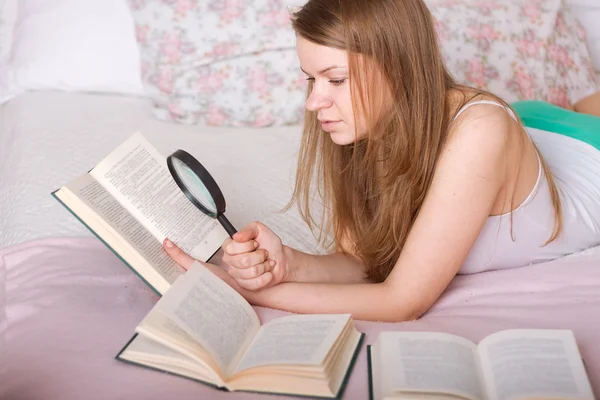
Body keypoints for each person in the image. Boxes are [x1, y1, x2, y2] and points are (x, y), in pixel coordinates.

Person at [163, 0, 600, 322]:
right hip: (523, 128)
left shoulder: (481, 131)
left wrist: (246, 293)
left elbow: (401, 301)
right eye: (310, 79)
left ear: (400, 68)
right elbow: (362, 262)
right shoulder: (369, 120)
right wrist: (292, 264)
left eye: (335, 79)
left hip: (584, 147)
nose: (315, 101)